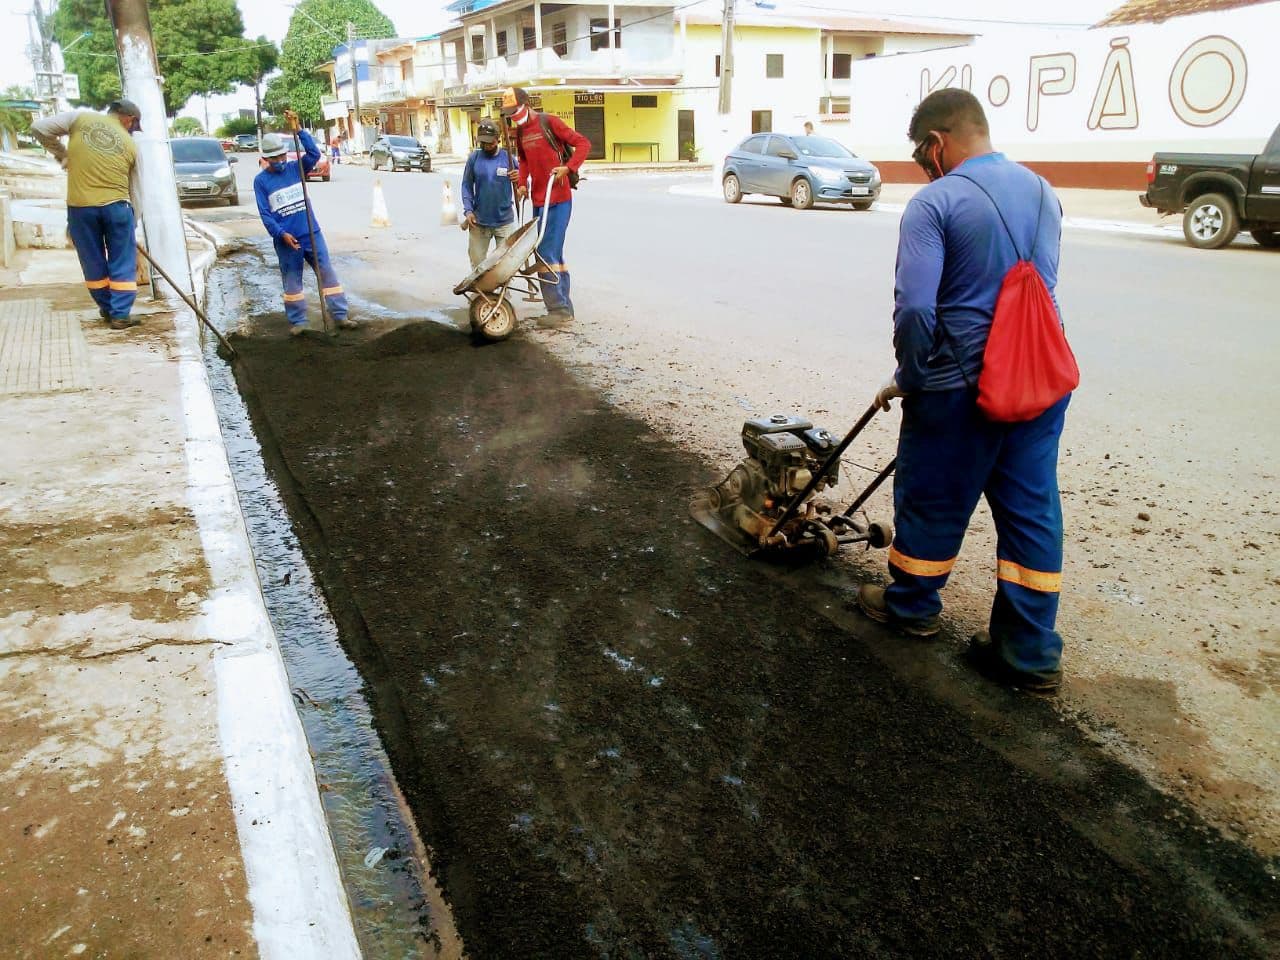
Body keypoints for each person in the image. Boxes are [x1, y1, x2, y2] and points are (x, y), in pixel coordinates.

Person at [855, 88, 1069, 695]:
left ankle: (912, 608)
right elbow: (1040, 287)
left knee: (933, 494)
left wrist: (914, 378)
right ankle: (1028, 656)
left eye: (924, 151)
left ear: (938, 143)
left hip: (961, 386)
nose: (926, 161)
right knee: (1031, 509)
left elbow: (917, 308)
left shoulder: (935, 202)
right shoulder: (1042, 191)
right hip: (1039, 378)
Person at [31, 100, 142, 330]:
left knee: (92, 260)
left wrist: (63, 155)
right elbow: (136, 190)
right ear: (129, 120)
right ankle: (120, 315)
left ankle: (107, 308)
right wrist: (133, 221)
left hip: (81, 208)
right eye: (133, 125)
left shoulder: (79, 118)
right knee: (122, 260)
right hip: (118, 207)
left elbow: (39, 128)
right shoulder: (131, 145)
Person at [253, 110, 356, 336]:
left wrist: (298, 129)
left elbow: (313, 152)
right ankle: (298, 322)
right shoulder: (261, 181)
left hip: (311, 232)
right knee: (292, 282)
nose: (280, 161)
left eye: (282, 156)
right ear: (266, 159)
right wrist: (280, 234)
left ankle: (340, 315)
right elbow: (265, 214)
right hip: (287, 240)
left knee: (327, 274)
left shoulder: (295, 168)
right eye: (275, 158)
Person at [501, 86, 589, 327]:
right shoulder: (520, 133)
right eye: (509, 113)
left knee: (545, 253)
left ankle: (558, 309)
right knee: (554, 254)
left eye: (515, 110)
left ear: (526, 105)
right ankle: (564, 308)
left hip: (559, 199)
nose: (513, 116)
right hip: (539, 200)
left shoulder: (549, 122)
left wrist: (568, 168)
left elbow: (583, 144)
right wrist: (521, 184)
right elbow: (524, 161)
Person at [461, 118, 517, 268]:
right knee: (477, 263)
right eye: (483, 142)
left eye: (490, 142)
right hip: (479, 221)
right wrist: (468, 210)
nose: (486, 146)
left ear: (498, 139)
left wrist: (520, 181)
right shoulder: (474, 158)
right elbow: (466, 185)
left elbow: (522, 187)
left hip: (504, 221)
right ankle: (480, 291)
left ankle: (503, 291)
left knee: (504, 263)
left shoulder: (509, 159)